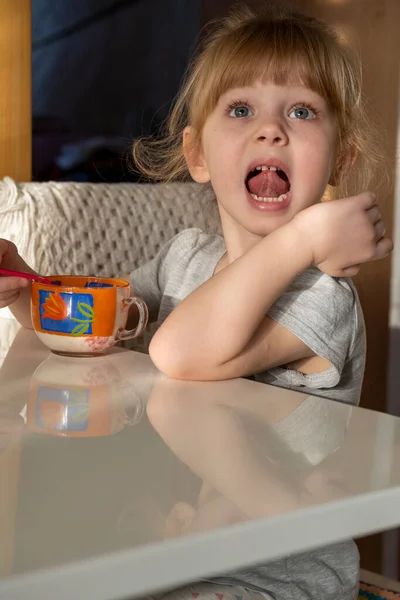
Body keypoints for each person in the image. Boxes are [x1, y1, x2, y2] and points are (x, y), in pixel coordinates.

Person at [0, 5, 393, 598]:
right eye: (241, 109)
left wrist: (306, 239)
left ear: (341, 159)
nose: (271, 130)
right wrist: (22, 285)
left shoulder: (324, 295)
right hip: (195, 555)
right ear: (197, 156)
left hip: (284, 575)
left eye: (302, 111)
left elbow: (182, 351)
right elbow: (97, 323)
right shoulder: (185, 257)